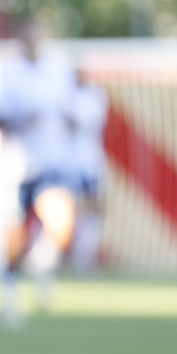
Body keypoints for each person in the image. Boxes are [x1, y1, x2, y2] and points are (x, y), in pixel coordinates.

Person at [0, 18, 77, 328]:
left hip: (54, 162)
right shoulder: (10, 71)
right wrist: (20, 121)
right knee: (17, 232)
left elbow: (71, 111)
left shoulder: (59, 68)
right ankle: (10, 291)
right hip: (19, 166)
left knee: (62, 225)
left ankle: (41, 265)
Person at [66, 69, 109, 274]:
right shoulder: (62, 93)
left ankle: (84, 258)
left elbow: (79, 122)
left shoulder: (93, 96)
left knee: (92, 212)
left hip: (89, 164)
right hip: (66, 165)